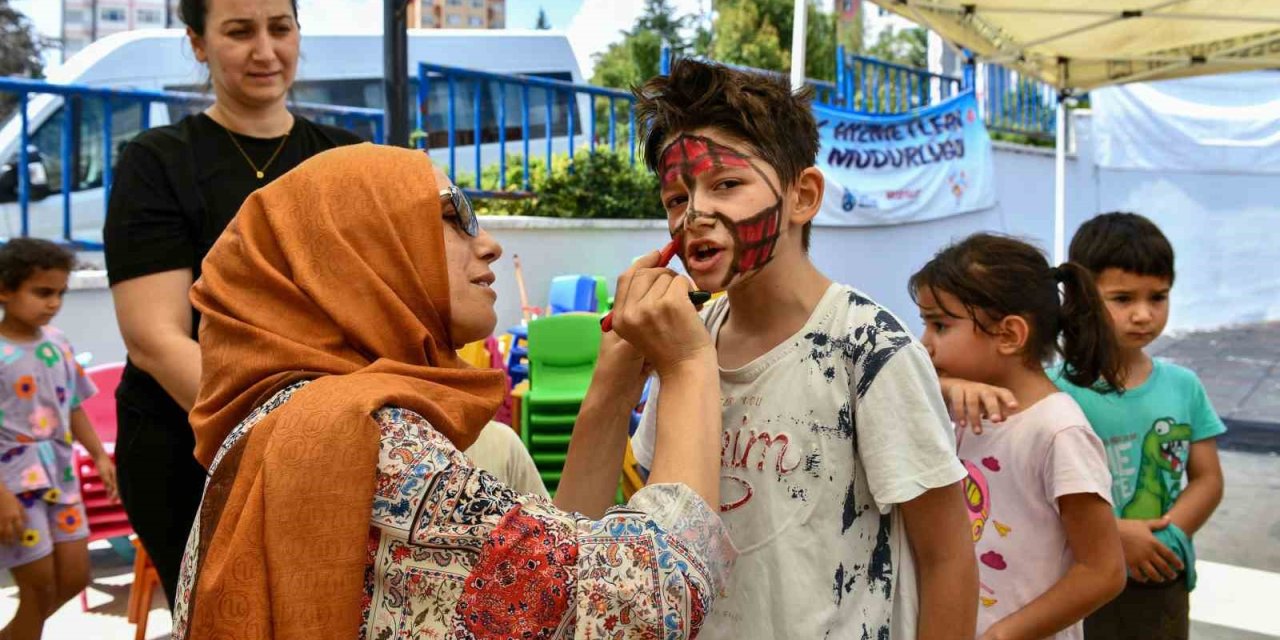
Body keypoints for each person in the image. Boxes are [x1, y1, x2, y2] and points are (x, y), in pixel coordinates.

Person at [171, 144, 735, 639]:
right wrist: (686, 364)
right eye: (454, 216)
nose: (487, 243)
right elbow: (646, 600)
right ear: (358, 254)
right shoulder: (365, 439)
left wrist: (611, 385)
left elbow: (541, 599)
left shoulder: (285, 421)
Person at [554, 58, 977, 639]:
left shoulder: (870, 350)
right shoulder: (688, 347)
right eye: (676, 198)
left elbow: (949, 558)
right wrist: (615, 381)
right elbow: (635, 534)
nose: (696, 215)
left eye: (726, 184)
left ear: (803, 196)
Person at [102, 0, 363, 606]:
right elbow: (155, 337)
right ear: (197, 43)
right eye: (239, 32)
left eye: (281, 28)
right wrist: (282, 438)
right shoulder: (157, 160)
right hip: (188, 449)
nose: (265, 51)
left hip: (328, 442)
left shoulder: (345, 157)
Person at [945, 213, 1226, 639]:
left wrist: (1168, 536)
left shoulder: (1184, 386)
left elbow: (1207, 478)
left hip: (1160, 574)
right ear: (1083, 298)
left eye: (1158, 297)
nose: (1143, 314)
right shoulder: (1052, 399)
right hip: (1077, 580)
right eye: (1123, 298)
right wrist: (1118, 536)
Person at [912, 233, 1126, 639]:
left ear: (1009, 334)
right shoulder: (952, 408)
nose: (924, 344)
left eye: (940, 325)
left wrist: (1002, 635)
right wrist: (944, 389)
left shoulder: (1058, 431)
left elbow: (1103, 570)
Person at [0, 239, 118, 640]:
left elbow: (73, 406)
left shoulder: (58, 342)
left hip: (61, 475)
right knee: (38, 587)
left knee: (74, 577)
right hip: (14, 483)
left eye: (60, 293)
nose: (53, 303)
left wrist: (99, 455)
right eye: (42, 292)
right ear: (5, 290)